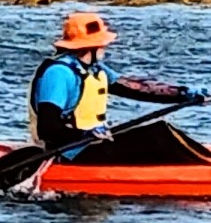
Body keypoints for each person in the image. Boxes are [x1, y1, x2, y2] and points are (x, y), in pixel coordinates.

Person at [26, 11, 187, 147]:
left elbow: (136, 89)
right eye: (102, 43)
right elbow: (48, 128)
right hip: (69, 149)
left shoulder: (95, 69)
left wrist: (183, 94)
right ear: (90, 46)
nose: (105, 47)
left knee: (161, 131)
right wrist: (84, 135)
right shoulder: (59, 74)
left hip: (93, 143)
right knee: (159, 136)